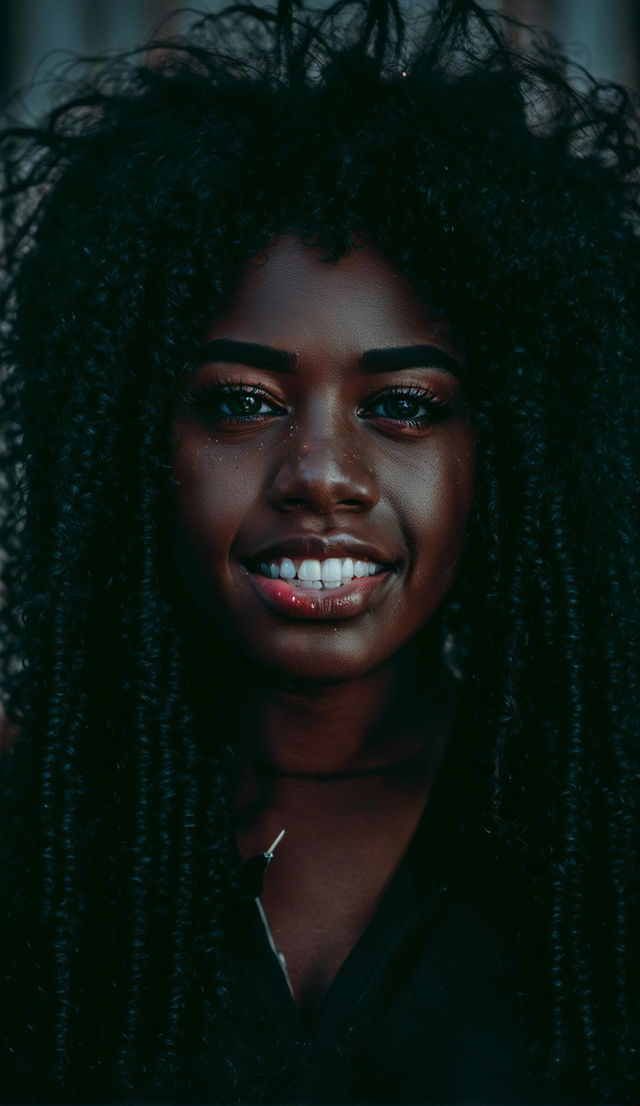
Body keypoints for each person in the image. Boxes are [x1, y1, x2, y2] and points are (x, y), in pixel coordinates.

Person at [0, 0, 637, 1101]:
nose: (319, 471)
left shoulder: (602, 819)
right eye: (241, 401)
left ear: (511, 451)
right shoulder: (38, 828)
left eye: (401, 404)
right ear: (131, 445)